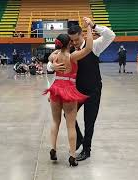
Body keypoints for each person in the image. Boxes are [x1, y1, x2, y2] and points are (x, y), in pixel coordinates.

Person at [48, 17, 115, 161]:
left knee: (89, 121)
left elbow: (111, 35)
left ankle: (86, 150)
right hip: (76, 91)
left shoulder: (95, 45)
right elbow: (52, 58)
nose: (74, 43)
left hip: (93, 90)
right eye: (71, 41)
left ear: (82, 35)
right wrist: (52, 66)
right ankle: (78, 139)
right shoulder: (69, 50)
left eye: (76, 40)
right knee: (68, 116)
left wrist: (93, 25)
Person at [44, 20, 93, 167]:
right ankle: (72, 156)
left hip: (56, 88)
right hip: (69, 90)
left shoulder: (54, 56)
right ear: (69, 44)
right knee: (71, 125)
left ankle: (53, 148)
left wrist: (52, 63)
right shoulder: (73, 57)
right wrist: (89, 28)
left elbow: (49, 59)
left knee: (55, 121)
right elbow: (89, 48)